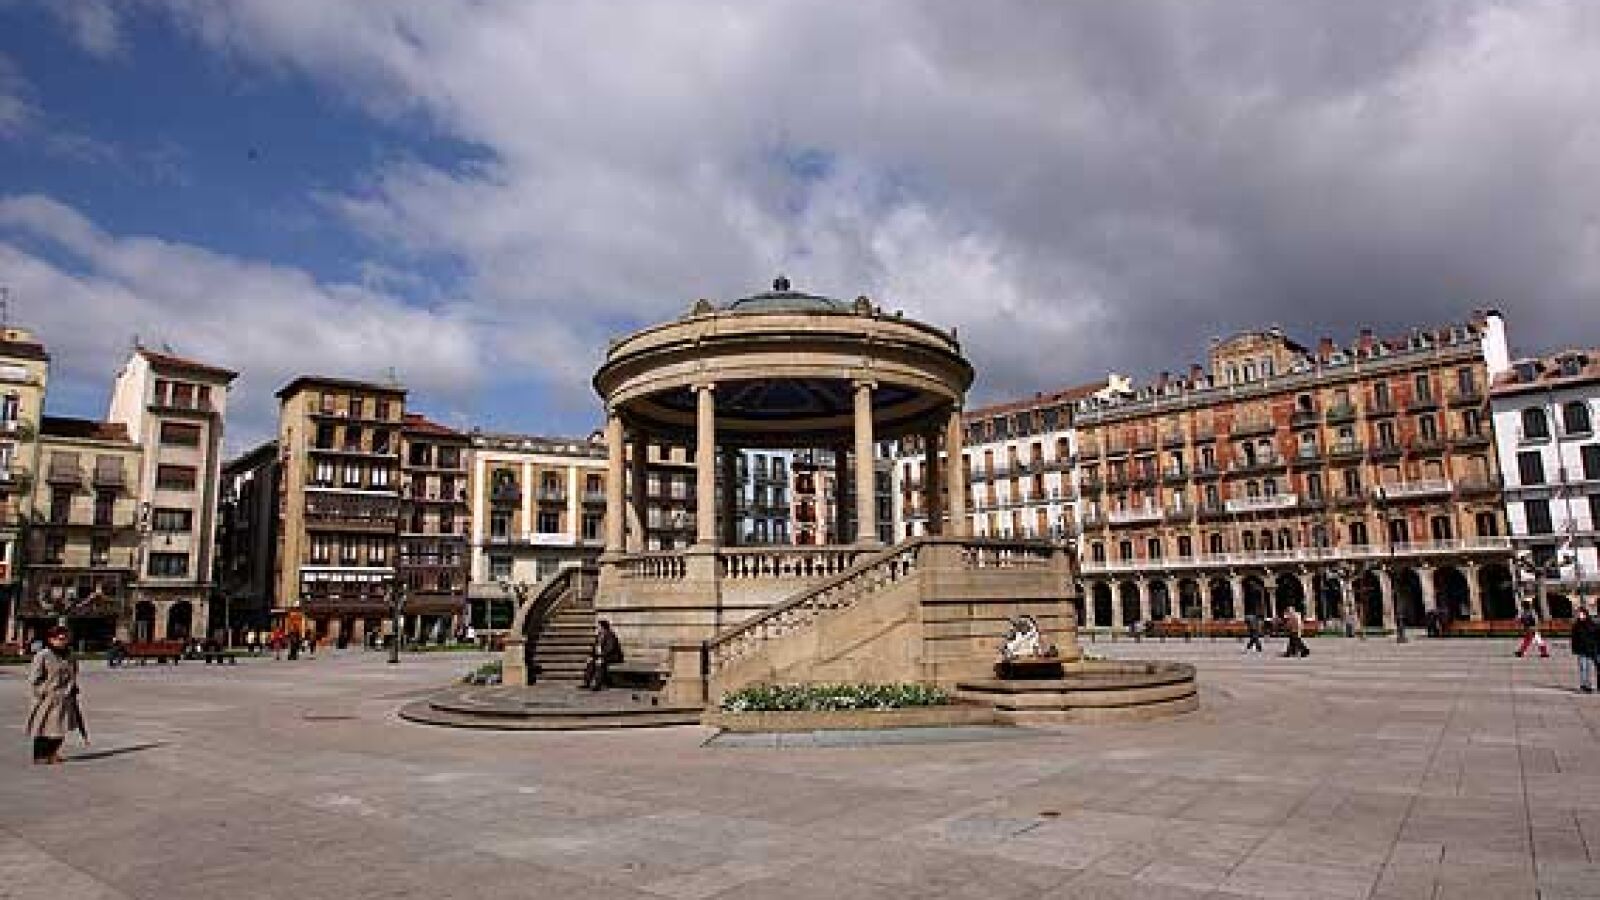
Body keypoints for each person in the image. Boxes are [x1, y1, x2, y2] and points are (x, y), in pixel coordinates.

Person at [27, 626, 87, 765]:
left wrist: (72, 687)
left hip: (65, 697)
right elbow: (34, 678)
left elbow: (73, 673)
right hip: (48, 698)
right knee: (44, 728)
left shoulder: (70, 655)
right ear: (51, 639)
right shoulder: (43, 655)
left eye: (65, 638)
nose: (63, 641)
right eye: (60, 638)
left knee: (61, 728)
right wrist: (42, 692)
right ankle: (40, 755)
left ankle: (53, 752)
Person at [582, 620, 624, 691]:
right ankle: (587, 682)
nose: (597, 628)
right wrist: (591, 657)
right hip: (602, 656)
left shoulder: (610, 636)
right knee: (590, 662)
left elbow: (610, 649)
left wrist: (601, 657)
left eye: (598, 627)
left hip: (612, 657)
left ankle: (597, 684)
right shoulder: (599, 636)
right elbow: (594, 649)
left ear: (603, 628)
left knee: (600, 663)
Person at [1572, 607, 1599, 692]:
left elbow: (1595, 636)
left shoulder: (1591, 624)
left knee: (1588, 668)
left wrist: (1594, 647)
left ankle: (1588, 685)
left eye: (1581, 614)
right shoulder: (1576, 625)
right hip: (1581, 650)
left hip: (1589, 649)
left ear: (1585, 614)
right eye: (1578, 614)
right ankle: (1584, 685)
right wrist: (1574, 649)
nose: (1579, 615)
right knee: (1582, 668)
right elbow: (1574, 638)